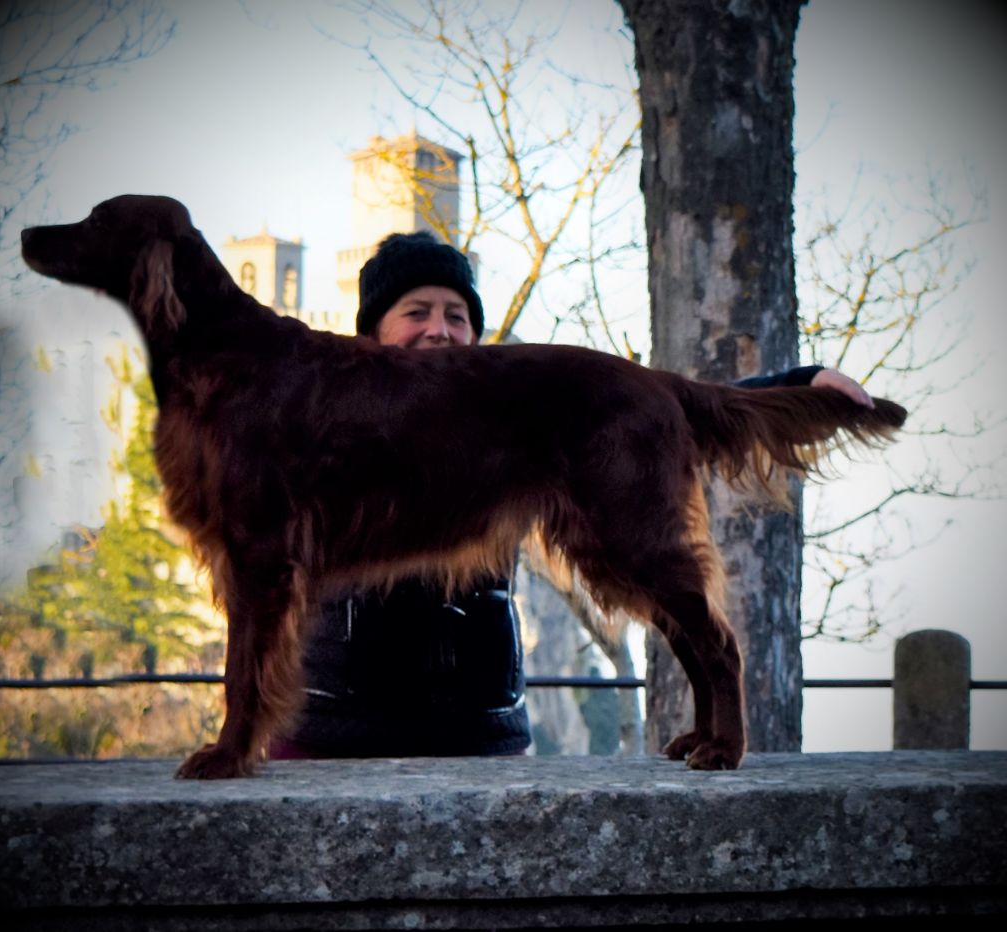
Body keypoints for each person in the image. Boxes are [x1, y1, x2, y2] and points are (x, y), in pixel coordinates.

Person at [270, 230, 871, 760]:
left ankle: (719, 717)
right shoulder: (324, 419)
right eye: (416, 311)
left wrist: (795, 386)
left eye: (456, 314)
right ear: (372, 332)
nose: (439, 329)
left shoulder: (514, 410)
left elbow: (638, 410)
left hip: (481, 743)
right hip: (329, 738)